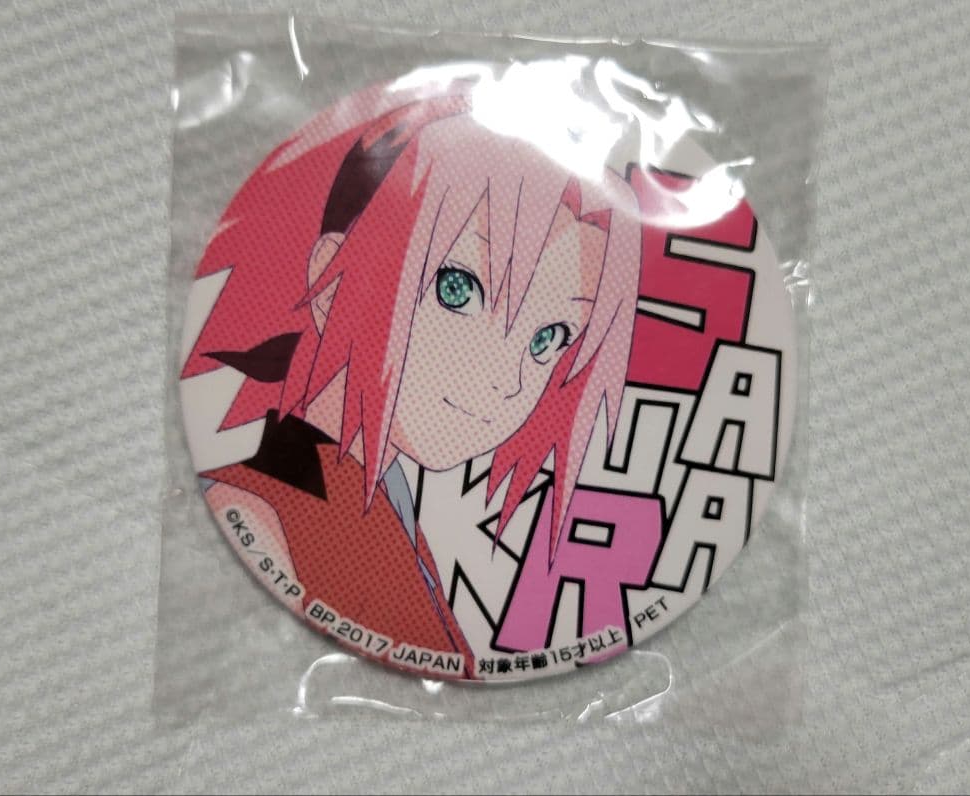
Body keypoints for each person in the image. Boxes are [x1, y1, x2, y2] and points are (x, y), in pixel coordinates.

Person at [181, 85, 643, 674]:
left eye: (548, 339)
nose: (507, 379)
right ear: (331, 282)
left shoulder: (384, 508)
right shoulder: (266, 514)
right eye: (458, 289)